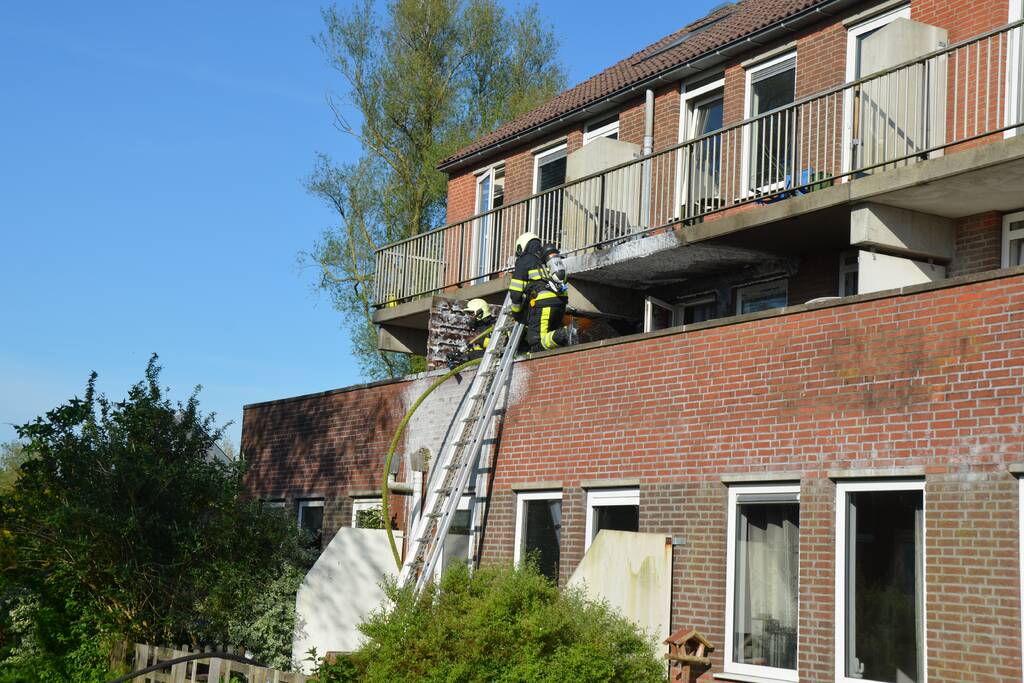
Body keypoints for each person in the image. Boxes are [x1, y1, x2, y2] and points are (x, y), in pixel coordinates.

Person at [510, 232, 576, 352]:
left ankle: (566, 333)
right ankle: (566, 336)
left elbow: (516, 292)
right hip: (560, 303)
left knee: (536, 343)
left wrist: (517, 313)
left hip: (543, 305)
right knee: (550, 341)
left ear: (521, 247)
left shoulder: (524, 260)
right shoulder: (545, 258)